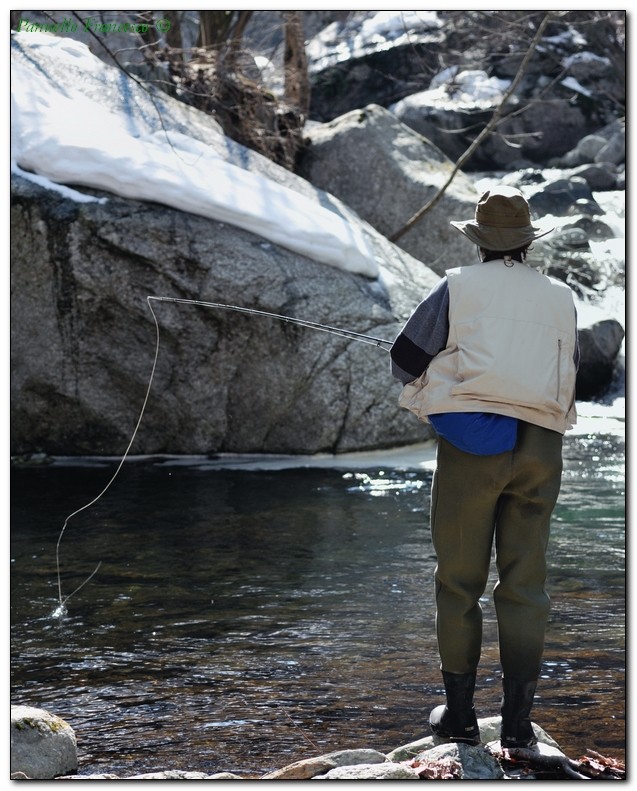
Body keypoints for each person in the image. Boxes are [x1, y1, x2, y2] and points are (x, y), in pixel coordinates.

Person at [390, 185, 579, 748]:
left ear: (479, 241)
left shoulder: (457, 287)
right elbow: (569, 370)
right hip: (542, 447)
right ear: (526, 242)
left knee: (459, 583)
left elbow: (405, 362)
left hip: (475, 449)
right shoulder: (562, 296)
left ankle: (461, 718)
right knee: (526, 587)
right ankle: (519, 727)